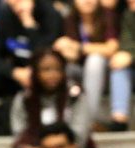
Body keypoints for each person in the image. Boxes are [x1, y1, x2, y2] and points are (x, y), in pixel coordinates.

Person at [0, 0, 63, 137]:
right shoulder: (5, 14)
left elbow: (47, 53)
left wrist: (29, 24)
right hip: (17, 74)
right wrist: (14, 72)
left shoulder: (50, 13)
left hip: (45, 73)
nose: (17, 3)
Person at [1, 48, 90, 148]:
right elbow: (19, 133)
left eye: (57, 69)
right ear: (35, 73)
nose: (52, 75)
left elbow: (79, 136)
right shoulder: (25, 98)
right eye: (46, 70)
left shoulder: (75, 96)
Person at [54, 0, 131, 131]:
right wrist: (64, 47)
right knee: (65, 67)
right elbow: (71, 54)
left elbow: (111, 48)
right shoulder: (71, 19)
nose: (87, 1)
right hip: (80, 71)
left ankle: (88, 118)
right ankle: (60, 118)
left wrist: (79, 47)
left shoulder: (108, 15)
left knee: (95, 60)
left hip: (107, 71)